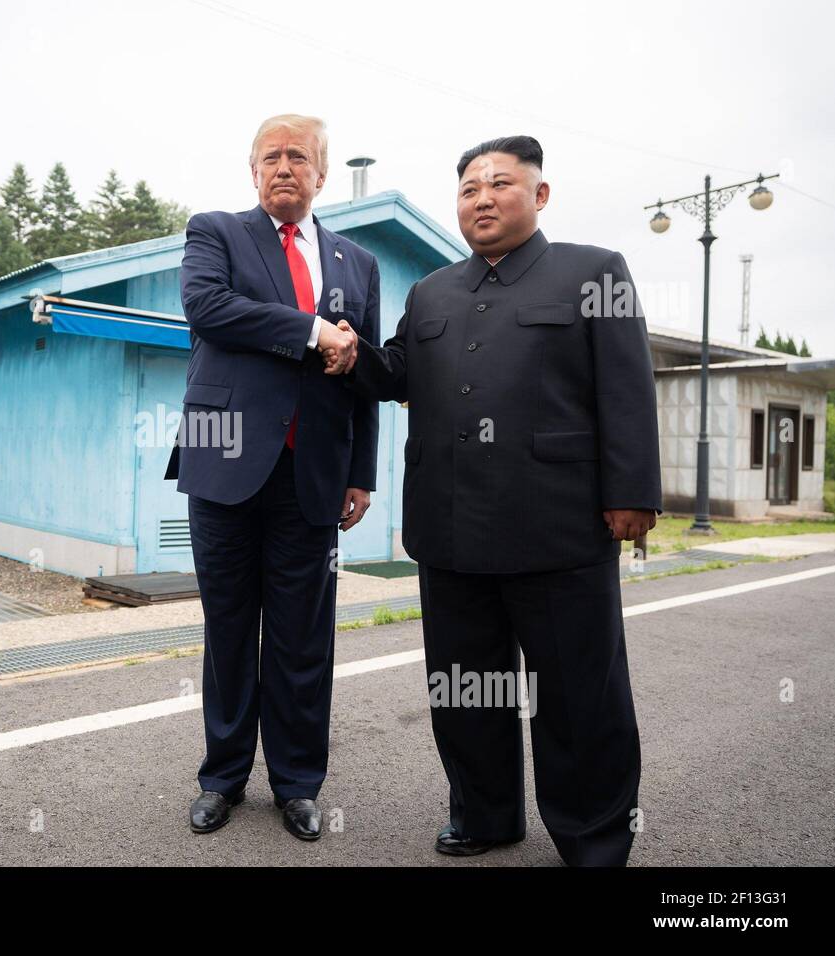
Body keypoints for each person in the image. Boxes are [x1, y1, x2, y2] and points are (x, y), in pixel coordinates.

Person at [327, 135, 660, 866]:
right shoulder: (433, 291)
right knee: (466, 687)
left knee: (577, 693)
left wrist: (632, 493)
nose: (481, 198)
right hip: (450, 528)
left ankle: (594, 835)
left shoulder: (594, 272)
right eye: (469, 188)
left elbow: (628, 390)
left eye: (500, 184)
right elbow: (398, 373)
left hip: (560, 524)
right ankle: (485, 815)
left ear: (539, 196)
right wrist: (354, 356)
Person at [167, 113, 375, 841]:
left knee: (301, 636)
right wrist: (312, 330)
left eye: (299, 157)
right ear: (252, 172)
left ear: (321, 174)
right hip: (221, 456)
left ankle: (297, 784)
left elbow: (365, 375)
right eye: (270, 157)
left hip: (314, 471)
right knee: (228, 626)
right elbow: (209, 310)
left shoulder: (358, 263)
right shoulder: (215, 232)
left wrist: (361, 471)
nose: (284, 167)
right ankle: (221, 777)